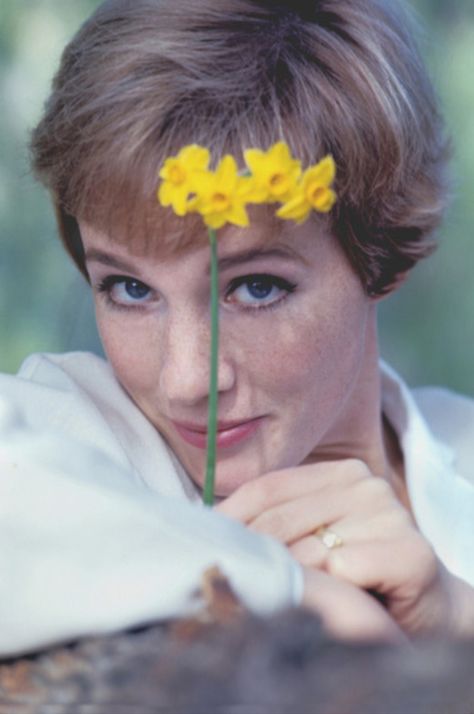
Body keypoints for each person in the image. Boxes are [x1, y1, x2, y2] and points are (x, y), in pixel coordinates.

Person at [0, 0, 473, 656]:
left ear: (383, 252)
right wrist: (285, 586)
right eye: (130, 289)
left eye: (256, 288)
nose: (188, 380)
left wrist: (455, 612)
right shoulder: (83, 434)